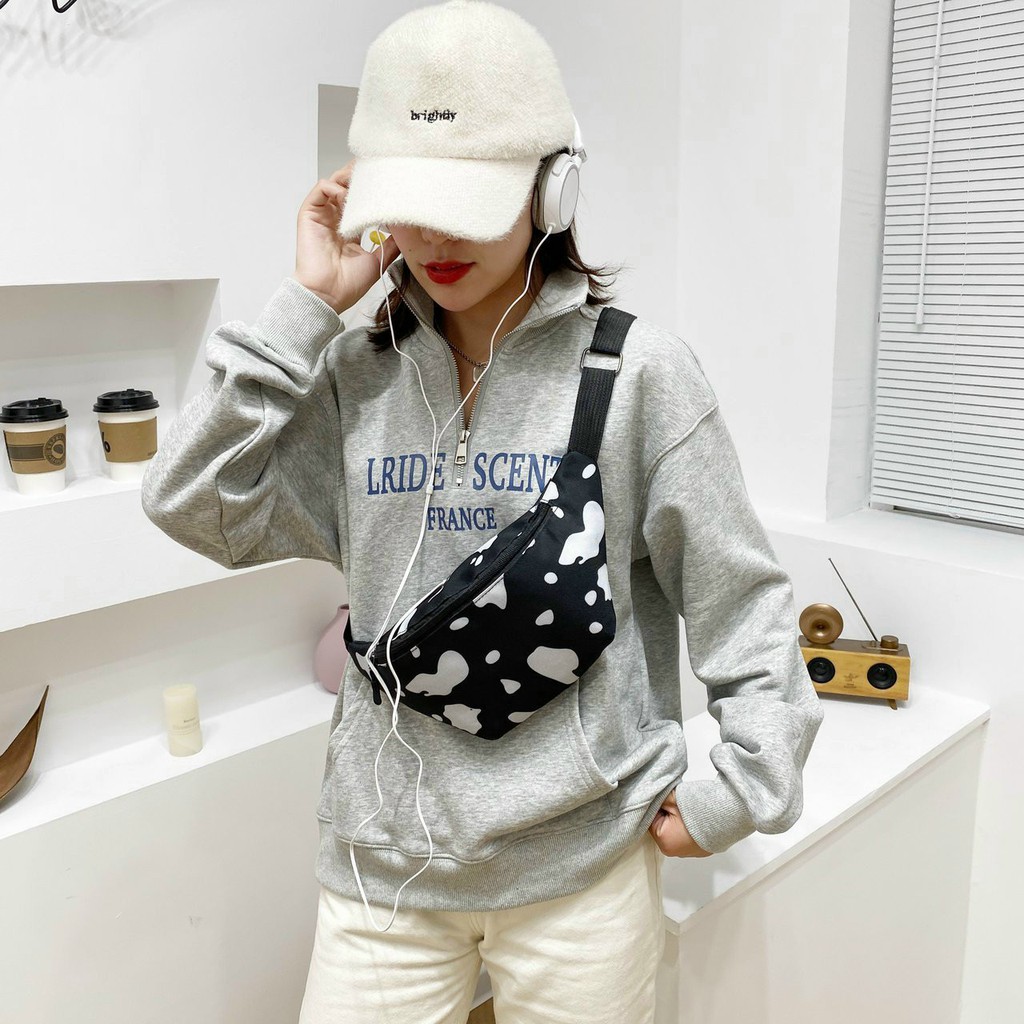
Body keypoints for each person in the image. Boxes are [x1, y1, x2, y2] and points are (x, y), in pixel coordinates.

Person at [140, 2, 825, 1022]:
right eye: (409, 202)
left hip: (583, 869)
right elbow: (192, 502)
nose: (433, 236)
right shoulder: (351, 377)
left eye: (468, 201)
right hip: (382, 871)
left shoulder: (643, 374)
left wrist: (743, 786)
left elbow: (741, 599)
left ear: (553, 188)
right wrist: (306, 307)